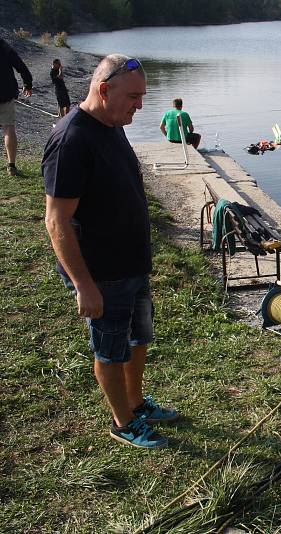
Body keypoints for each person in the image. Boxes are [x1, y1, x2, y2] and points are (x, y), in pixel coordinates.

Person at [42, 54, 177, 449]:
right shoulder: (72, 140)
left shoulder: (112, 124)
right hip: (103, 272)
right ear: (104, 90)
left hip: (132, 264)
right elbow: (56, 221)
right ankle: (122, 422)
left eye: (142, 97)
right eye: (134, 97)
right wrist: (84, 285)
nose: (140, 105)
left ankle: (136, 403)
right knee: (110, 348)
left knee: (138, 340)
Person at [0, 37, 32, 177]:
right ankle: (11, 166)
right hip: (6, 93)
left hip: (6, 93)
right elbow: (20, 65)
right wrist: (27, 83)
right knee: (8, 128)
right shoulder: (4, 46)